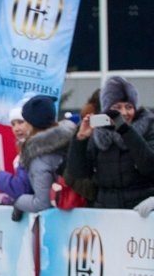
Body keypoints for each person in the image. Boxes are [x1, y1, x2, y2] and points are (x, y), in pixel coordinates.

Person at [65, 75, 154, 209]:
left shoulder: (148, 128)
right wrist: (80, 140)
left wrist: (125, 130)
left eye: (129, 107)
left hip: (140, 210)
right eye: (117, 107)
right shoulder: (97, 133)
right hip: (106, 211)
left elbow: (149, 166)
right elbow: (78, 173)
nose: (124, 112)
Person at [2, 96, 75, 213]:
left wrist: (17, 201)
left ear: (31, 123)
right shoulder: (69, 141)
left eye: (23, 121)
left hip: (61, 224)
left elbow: (42, 203)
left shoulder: (40, 157)